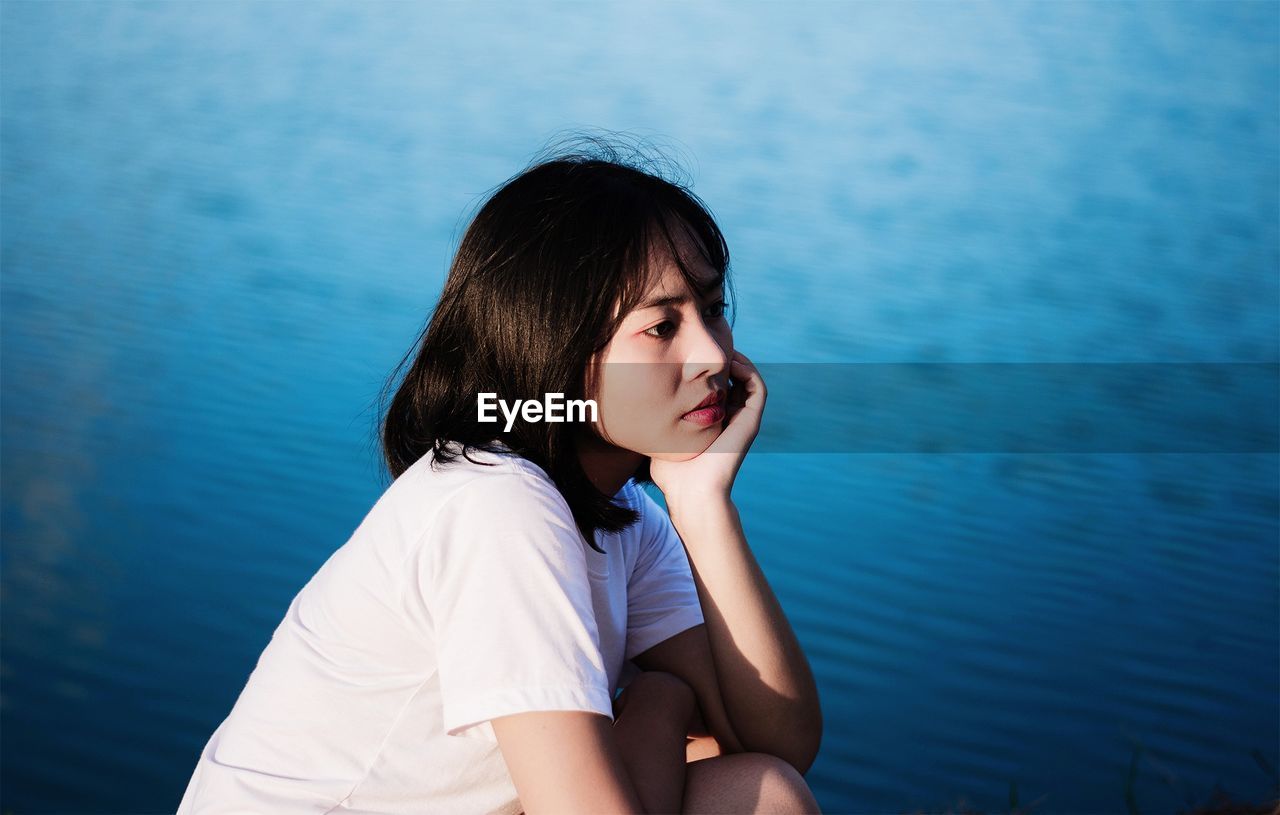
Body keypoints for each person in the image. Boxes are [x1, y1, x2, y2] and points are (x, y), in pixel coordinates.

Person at [176, 135, 822, 814]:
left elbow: (780, 742)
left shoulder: (625, 519)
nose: (711, 354)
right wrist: (663, 704)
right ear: (560, 349)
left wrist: (703, 506)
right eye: (661, 326)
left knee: (761, 795)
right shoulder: (498, 506)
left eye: (714, 310)